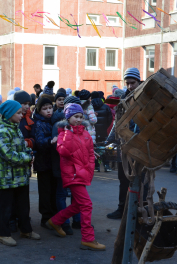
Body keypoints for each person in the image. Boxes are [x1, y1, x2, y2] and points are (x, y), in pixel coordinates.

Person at [46, 103, 106, 251]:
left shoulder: (85, 133)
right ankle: (88, 238)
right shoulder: (63, 133)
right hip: (72, 175)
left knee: (79, 205)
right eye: (75, 117)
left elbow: (91, 153)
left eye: (80, 116)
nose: (78, 119)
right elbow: (64, 151)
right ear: (68, 117)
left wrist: (90, 169)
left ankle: (56, 220)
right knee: (86, 205)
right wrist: (66, 133)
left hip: (83, 173)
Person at [0, 100, 41, 246]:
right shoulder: (2, 131)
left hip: (20, 174)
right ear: (8, 114)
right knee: (6, 206)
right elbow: (8, 155)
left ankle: (25, 230)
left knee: (23, 204)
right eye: (18, 113)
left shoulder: (15, 127)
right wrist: (28, 157)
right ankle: (4, 233)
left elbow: (22, 146)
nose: (22, 115)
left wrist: (29, 152)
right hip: (8, 176)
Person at [106, 68, 148, 219]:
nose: (130, 86)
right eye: (128, 83)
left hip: (142, 147)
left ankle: (143, 209)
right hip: (124, 147)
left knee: (142, 180)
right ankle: (122, 209)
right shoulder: (123, 99)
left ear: (139, 81)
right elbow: (118, 122)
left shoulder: (146, 98)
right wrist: (109, 140)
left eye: (133, 83)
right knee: (123, 179)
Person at [51, 96, 81, 235]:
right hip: (62, 167)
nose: (78, 118)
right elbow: (58, 147)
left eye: (80, 115)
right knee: (62, 194)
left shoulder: (82, 128)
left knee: (77, 195)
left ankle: (78, 220)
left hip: (78, 168)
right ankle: (64, 222)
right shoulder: (58, 127)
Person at [33, 97, 57, 229]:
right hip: (43, 163)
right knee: (45, 192)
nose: (48, 111)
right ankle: (45, 218)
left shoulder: (53, 121)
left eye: (50, 108)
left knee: (54, 191)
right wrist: (51, 141)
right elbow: (39, 142)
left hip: (53, 162)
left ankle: (54, 216)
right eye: (45, 109)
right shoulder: (38, 123)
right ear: (39, 110)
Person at [92, 92, 113, 172]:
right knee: (104, 148)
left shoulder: (90, 107)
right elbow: (110, 119)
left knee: (95, 148)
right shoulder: (106, 106)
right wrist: (105, 127)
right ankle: (106, 166)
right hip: (104, 131)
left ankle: (96, 166)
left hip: (93, 132)